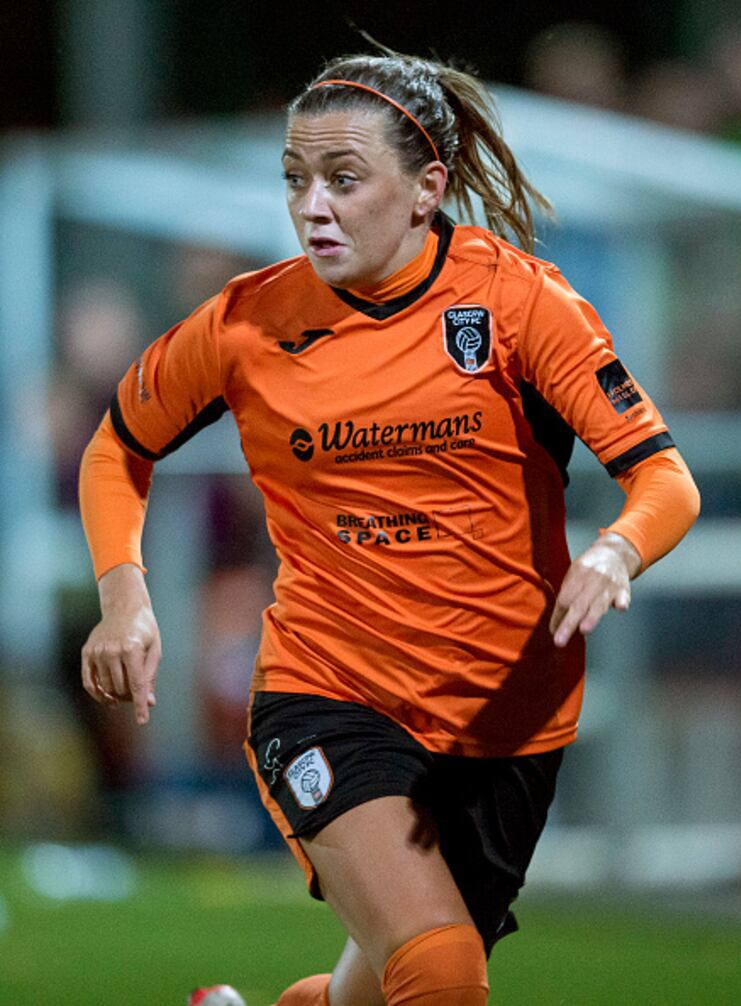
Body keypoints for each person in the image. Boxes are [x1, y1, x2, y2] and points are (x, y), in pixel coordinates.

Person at [79, 44, 700, 1006]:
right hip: (328, 692)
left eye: (343, 178)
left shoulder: (517, 301)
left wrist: (619, 548)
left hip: (507, 718)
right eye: (296, 178)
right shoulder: (247, 324)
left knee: (382, 990)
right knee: (441, 969)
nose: (311, 205)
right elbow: (118, 445)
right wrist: (126, 599)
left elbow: (664, 476)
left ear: (426, 189)